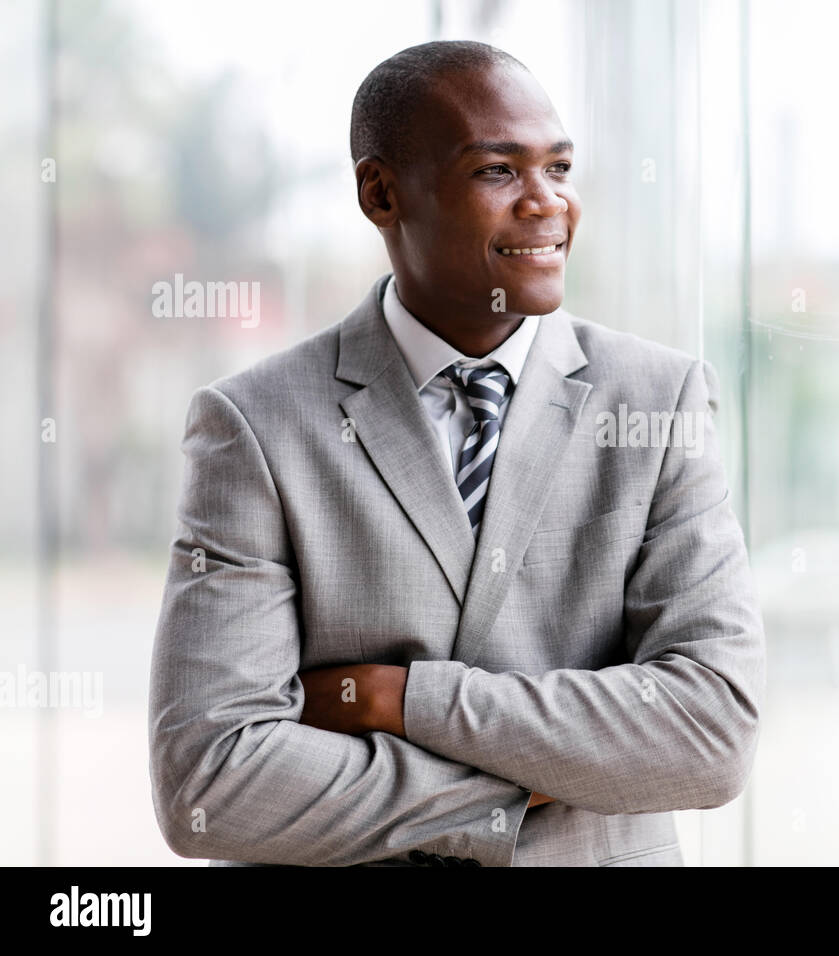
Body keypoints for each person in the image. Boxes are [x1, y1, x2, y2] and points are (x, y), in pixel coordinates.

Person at [147, 39, 765, 867]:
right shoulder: (256, 426)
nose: (547, 203)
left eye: (560, 168)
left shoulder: (659, 402)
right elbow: (210, 784)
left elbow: (710, 731)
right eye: (498, 172)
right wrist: (542, 780)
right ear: (381, 192)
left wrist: (400, 700)